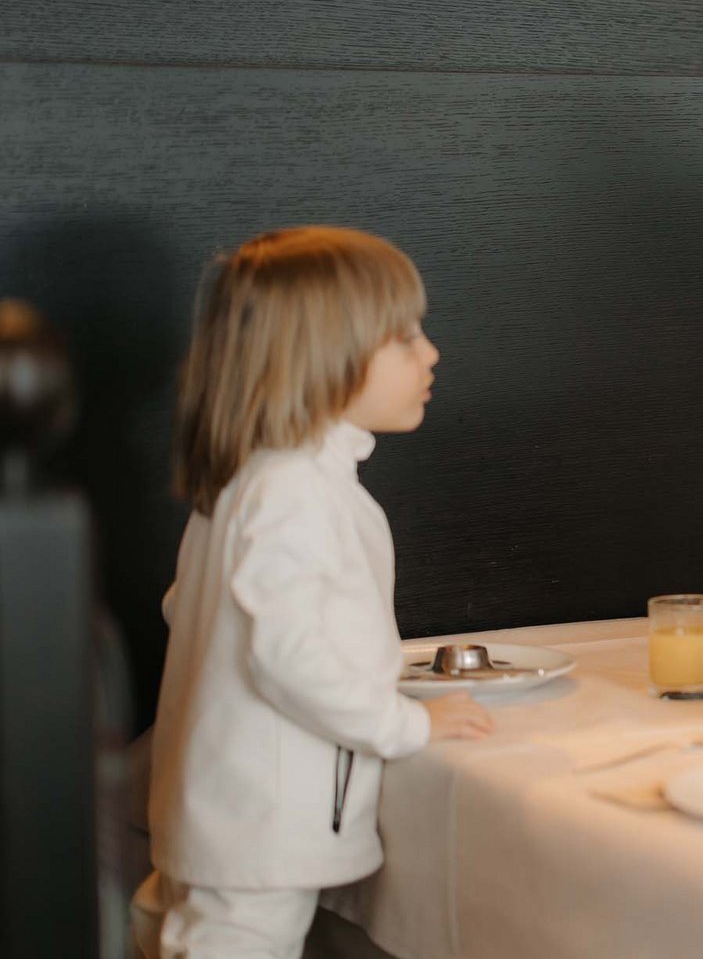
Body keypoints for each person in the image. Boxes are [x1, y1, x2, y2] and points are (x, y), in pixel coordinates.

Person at [132, 227, 494, 958]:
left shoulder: (252, 480)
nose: (430, 353)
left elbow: (190, 610)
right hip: (258, 831)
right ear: (321, 357)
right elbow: (287, 654)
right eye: (403, 338)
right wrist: (405, 725)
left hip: (226, 819)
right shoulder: (295, 490)